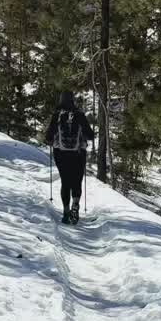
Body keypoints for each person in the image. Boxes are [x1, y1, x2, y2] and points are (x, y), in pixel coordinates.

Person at [45, 90, 95, 224]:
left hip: (61, 154)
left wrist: (51, 140)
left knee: (65, 182)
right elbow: (90, 135)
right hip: (78, 153)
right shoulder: (80, 115)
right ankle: (76, 203)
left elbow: (48, 137)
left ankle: (66, 212)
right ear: (72, 100)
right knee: (77, 181)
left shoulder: (57, 115)